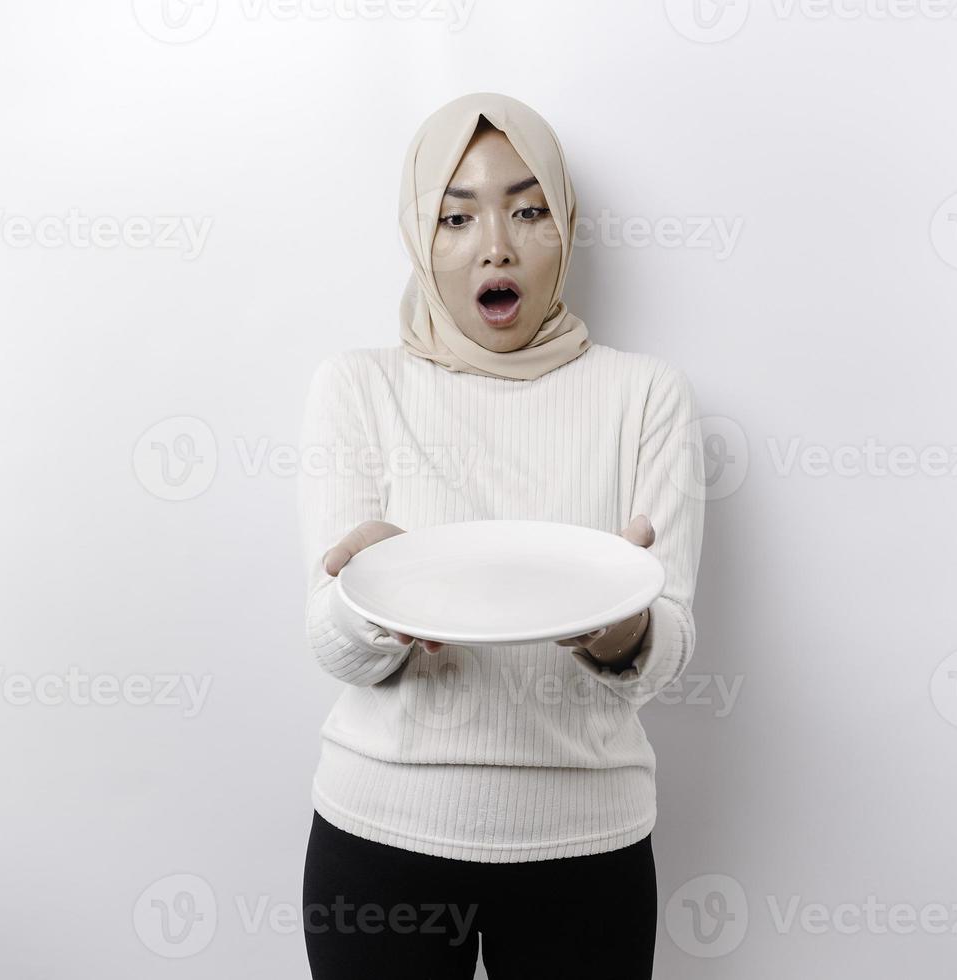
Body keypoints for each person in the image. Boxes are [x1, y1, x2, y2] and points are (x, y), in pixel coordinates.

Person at [296, 91, 706, 980]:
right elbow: (330, 640)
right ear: (419, 237)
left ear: (565, 225)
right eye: (456, 216)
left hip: (586, 849)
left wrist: (623, 622)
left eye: (529, 210)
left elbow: (670, 645)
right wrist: (373, 600)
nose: (497, 245)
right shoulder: (357, 386)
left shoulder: (648, 395)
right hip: (383, 840)